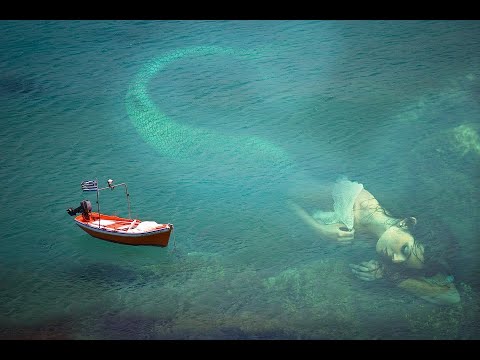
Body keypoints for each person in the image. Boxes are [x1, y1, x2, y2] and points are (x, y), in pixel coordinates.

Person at [288, 177, 460, 305]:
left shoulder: (382, 251)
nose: (396, 259)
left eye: (403, 263)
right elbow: (280, 193)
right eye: (405, 250)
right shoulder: (353, 200)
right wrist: (318, 229)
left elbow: (452, 297)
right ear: (407, 223)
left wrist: (388, 273)